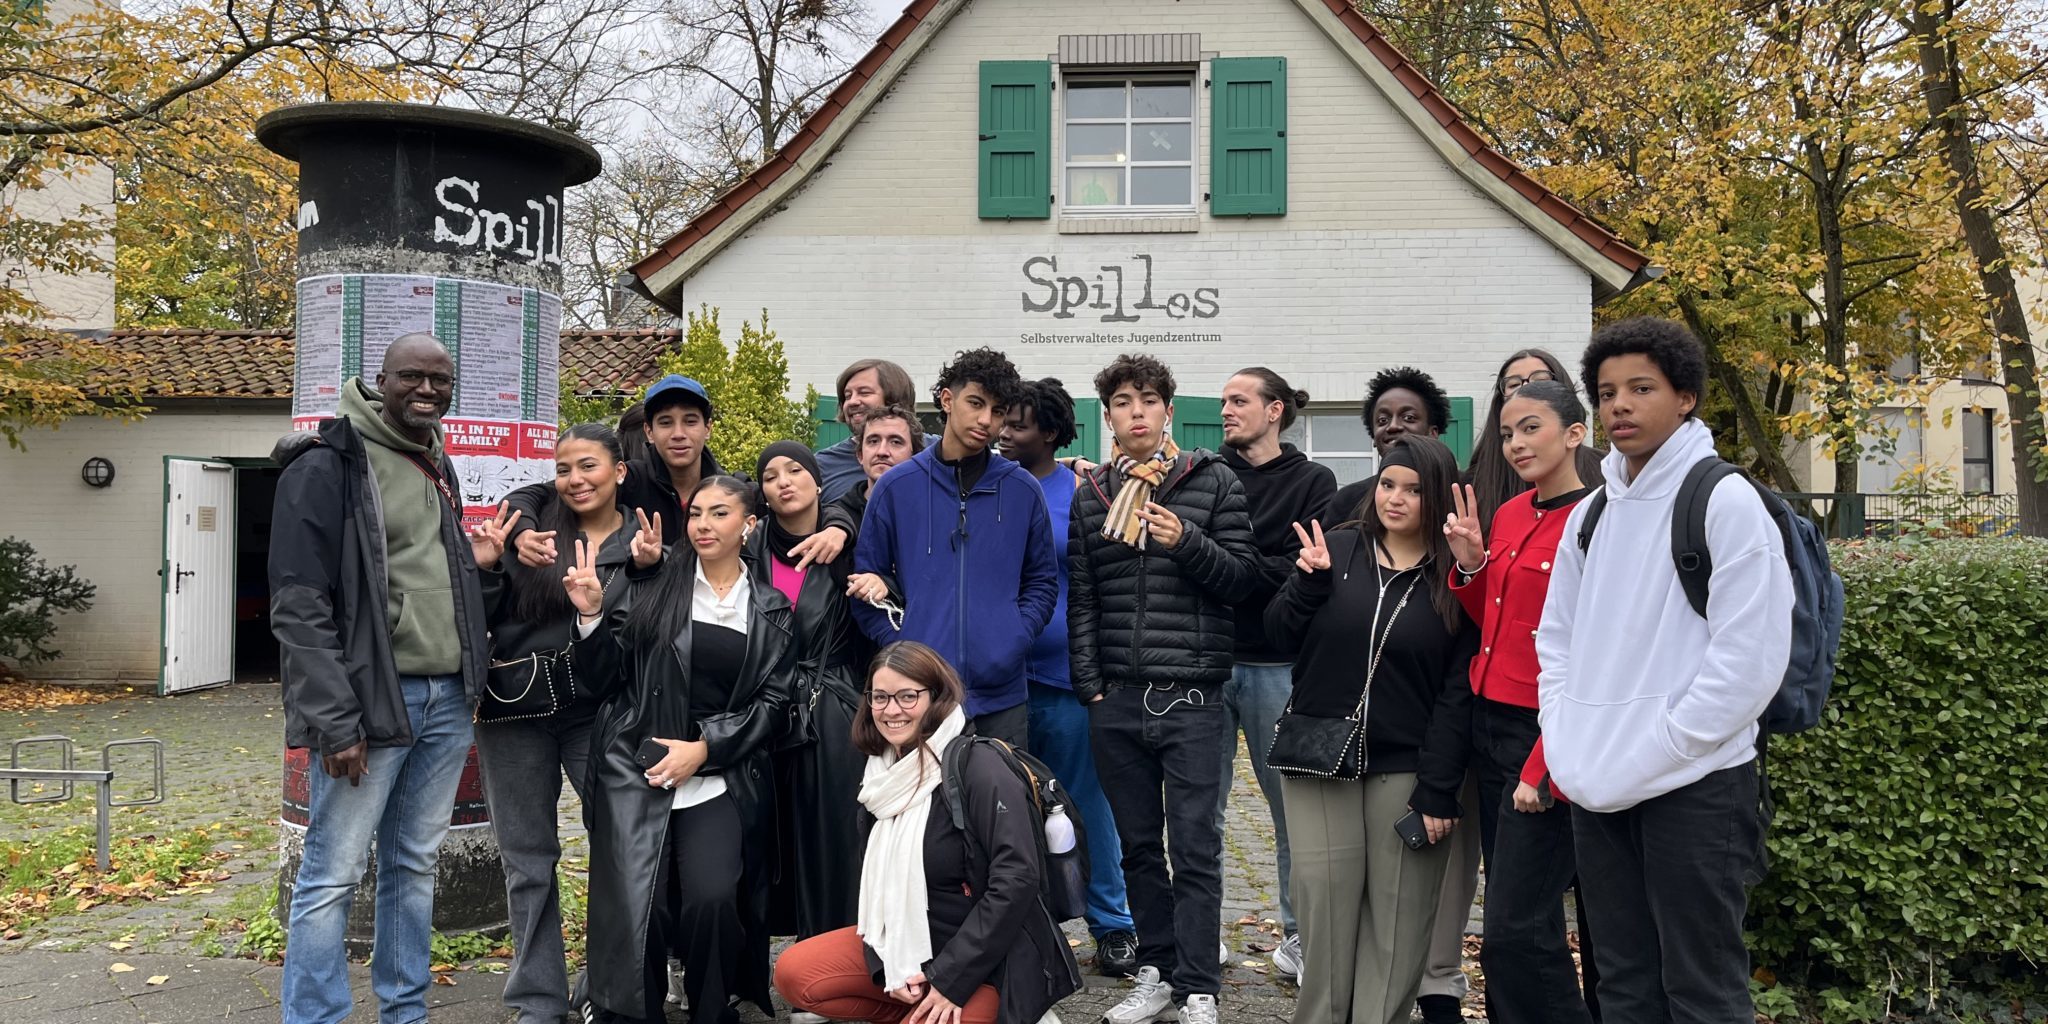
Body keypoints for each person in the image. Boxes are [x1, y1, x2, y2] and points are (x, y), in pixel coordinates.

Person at [1537, 318, 1791, 1024]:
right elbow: (1555, 640)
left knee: (1702, 991)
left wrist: (1669, 744)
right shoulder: (1591, 515)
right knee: (1622, 987)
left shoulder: (1725, 501)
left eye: (1641, 388)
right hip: (1597, 783)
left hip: (1698, 786)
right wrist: (1565, 737)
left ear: (1685, 397)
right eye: (1608, 390)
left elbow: (1750, 659)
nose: (1619, 405)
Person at [269, 333, 489, 1024]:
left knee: (413, 867)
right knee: (332, 874)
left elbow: (426, 576)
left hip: (448, 698)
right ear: (380, 379)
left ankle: (405, 1012)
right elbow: (298, 606)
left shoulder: (435, 461)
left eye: (440, 380)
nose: (427, 390)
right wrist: (335, 721)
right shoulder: (328, 464)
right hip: (369, 705)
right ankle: (316, 1017)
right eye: (412, 377)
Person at [1069, 353, 1257, 1024]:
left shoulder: (1212, 483)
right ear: (1109, 416)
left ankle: (1199, 985)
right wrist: (1091, 687)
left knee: (1197, 846)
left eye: (1149, 399)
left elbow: (1242, 580)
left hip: (1194, 699)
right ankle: (1156, 970)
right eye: (1123, 401)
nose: (1137, 411)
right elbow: (1083, 600)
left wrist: (1188, 542)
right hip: (1116, 700)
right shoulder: (1091, 496)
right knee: (1139, 847)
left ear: (1169, 411)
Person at [1264, 434, 1477, 1024]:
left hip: (1409, 768)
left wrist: (1439, 785)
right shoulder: (1336, 548)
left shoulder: (1454, 577)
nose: (1396, 499)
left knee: (1400, 925)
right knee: (1325, 918)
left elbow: (1459, 693)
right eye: (1388, 484)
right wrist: (1306, 584)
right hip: (1318, 760)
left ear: (1438, 499)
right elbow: (1278, 635)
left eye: (1413, 490)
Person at [574, 476, 797, 1024]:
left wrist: (705, 749)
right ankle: (630, 1011)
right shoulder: (654, 586)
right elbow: (603, 678)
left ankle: (712, 1008)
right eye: (696, 512)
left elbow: (773, 703)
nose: (702, 524)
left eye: (719, 514)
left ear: (748, 525)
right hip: (636, 765)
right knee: (635, 906)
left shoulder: (770, 608)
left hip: (719, 775)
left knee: (714, 898)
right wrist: (591, 616)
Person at [772, 641, 1082, 1024]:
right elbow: (881, 892)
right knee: (796, 974)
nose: (892, 710)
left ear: (936, 697)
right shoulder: (881, 774)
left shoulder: (980, 765)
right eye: (880, 697)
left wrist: (951, 977)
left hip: (991, 960)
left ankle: (1016, 1013)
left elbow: (1017, 879)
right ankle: (916, 1008)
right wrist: (890, 964)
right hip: (912, 945)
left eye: (907, 696)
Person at [1442, 380, 1600, 1024]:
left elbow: (1592, 659)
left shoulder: (1597, 521)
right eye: (1508, 433)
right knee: (1510, 921)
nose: (1515, 444)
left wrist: (1543, 762)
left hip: (1546, 735)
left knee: (1519, 927)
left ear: (1574, 433)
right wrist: (1474, 566)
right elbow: (1494, 624)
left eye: (1531, 428)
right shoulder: (1509, 514)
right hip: (1489, 724)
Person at [467, 423, 633, 1024]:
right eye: (564, 469)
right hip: (515, 713)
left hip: (601, 713)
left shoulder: (642, 542)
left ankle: (603, 983)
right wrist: (490, 563)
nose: (575, 480)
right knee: (527, 858)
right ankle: (537, 998)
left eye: (588, 466)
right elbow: (477, 614)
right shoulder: (528, 532)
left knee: (618, 850)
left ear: (620, 469)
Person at [998, 377, 1139, 977]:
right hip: (997, 681)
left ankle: (1114, 925)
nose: (1003, 432)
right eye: (999, 419)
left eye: (1018, 424)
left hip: (1065, 677)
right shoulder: (983, 489)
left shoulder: (1084, 493)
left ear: (1051, 433)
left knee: (1088, 803)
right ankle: (1020, 927)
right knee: (1004, 811)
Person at [848, 348, 1057, 749]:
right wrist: (902, 643)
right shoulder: (896, 488)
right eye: (975, 403)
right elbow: (864, 583)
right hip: (919, 696)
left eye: (997, 411)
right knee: (923, 812)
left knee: (1002, 809)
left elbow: (1042, 583)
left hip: (1002, 698)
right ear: (947, 399)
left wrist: (1013, 635)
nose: (985, 420)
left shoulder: (1022, 490)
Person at [1214, 367, 1336, 981]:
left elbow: (1304, 572)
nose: (1227, 410)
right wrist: (1257, 565)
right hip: (1206, 663)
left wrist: (1227, 562)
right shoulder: (1207, 475)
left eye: (1240, 400)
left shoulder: (1314, 481)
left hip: (1278, 666)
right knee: (1196, 810)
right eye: (1225, 401)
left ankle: (1299, 936)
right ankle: (1199, 935)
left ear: (1276, 410)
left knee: (1292, 811)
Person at [507, 374, 851, 559]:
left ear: (708, 428)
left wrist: (839, 527)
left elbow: (799, 502)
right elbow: (536, 494)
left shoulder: (733, 490)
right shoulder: (630, 480)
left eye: (690, 421)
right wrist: (522, 532)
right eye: (666, 423)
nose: (679, 434)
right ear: (649, 431)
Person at [751, 441, 869, 945]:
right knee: (769, 839)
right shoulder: (749, 550)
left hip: (832, 707)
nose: (784, 480)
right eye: (771, 474)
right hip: (762, 707)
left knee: (831, 838)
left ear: (819, 481)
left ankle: (830, 959)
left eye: (795, 469)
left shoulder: (850, 543)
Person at [1464, 350, 1604, 531]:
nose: (1525, 390)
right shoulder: (1481, 481)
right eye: (1513, 384)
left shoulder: (1604, 470)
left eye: (1540, 381)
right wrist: (1471, 559)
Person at [815, 359, 941, 502]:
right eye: (848, 396)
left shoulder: (937, 453)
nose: (852, 401)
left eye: (864, 393)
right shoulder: (822, 465)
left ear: (894, 399)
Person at [831, 403, 924, 526]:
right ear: (860, 455)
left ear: (915, 456)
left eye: (895, 442)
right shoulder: (837, 519)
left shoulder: (931, 514)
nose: (882, 452)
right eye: (873, 441)